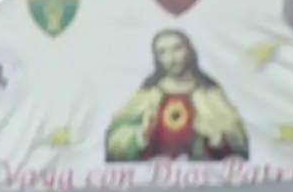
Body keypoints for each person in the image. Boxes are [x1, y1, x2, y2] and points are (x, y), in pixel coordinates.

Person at [104, 28, 249, 162]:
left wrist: (217, 139)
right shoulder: (147, 94)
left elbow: (239, 144)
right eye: (162, 52)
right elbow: (115, 142)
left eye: (177, 49)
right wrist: (140, 136)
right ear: (157, 58)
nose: (171, 59)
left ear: (189, 50)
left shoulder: (210, 92)